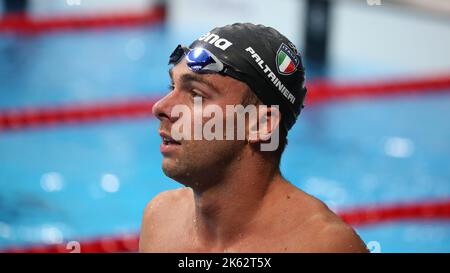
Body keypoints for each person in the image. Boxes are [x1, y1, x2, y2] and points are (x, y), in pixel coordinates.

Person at [139, 23, 368, 253]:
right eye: (172, 86)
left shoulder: (323, 246)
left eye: (197, 95)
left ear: (261, 124)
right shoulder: (160, 219)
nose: (160, 107)